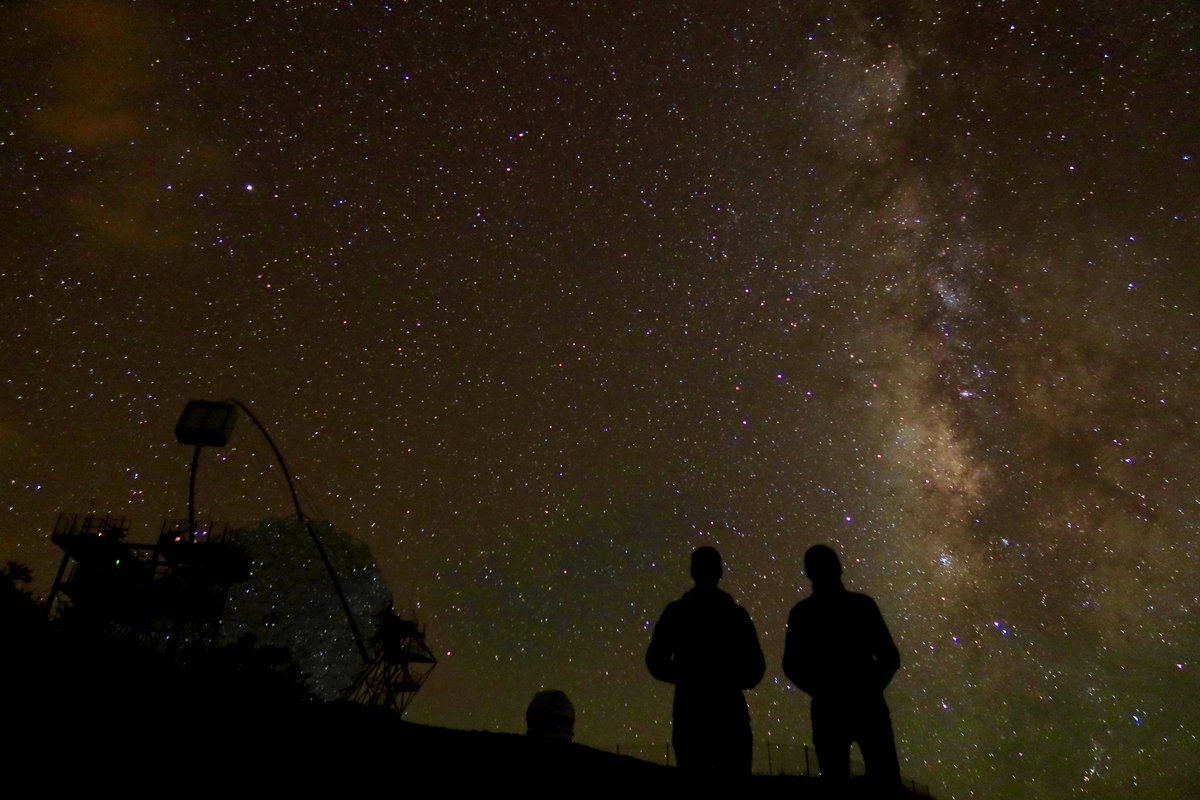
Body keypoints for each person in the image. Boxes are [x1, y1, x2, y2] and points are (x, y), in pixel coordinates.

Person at [783, 544, 902, 792]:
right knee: (883, 779)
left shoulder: (803, 613)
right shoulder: (862, 606)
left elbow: (792, 665)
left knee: (836, 778)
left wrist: (821, 690)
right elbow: (889, 656)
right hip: (865, 706)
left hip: (831, 709)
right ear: (838, 568)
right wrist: (870, 687)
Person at [646, 546, 765, 775]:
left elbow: (656, 662)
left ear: (693, 571)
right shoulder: (735, 615)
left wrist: (688, 676)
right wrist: (727, 679)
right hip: (729, 715)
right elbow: (755, 669)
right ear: (720, 572)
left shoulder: (677, 612)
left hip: (691, 714)